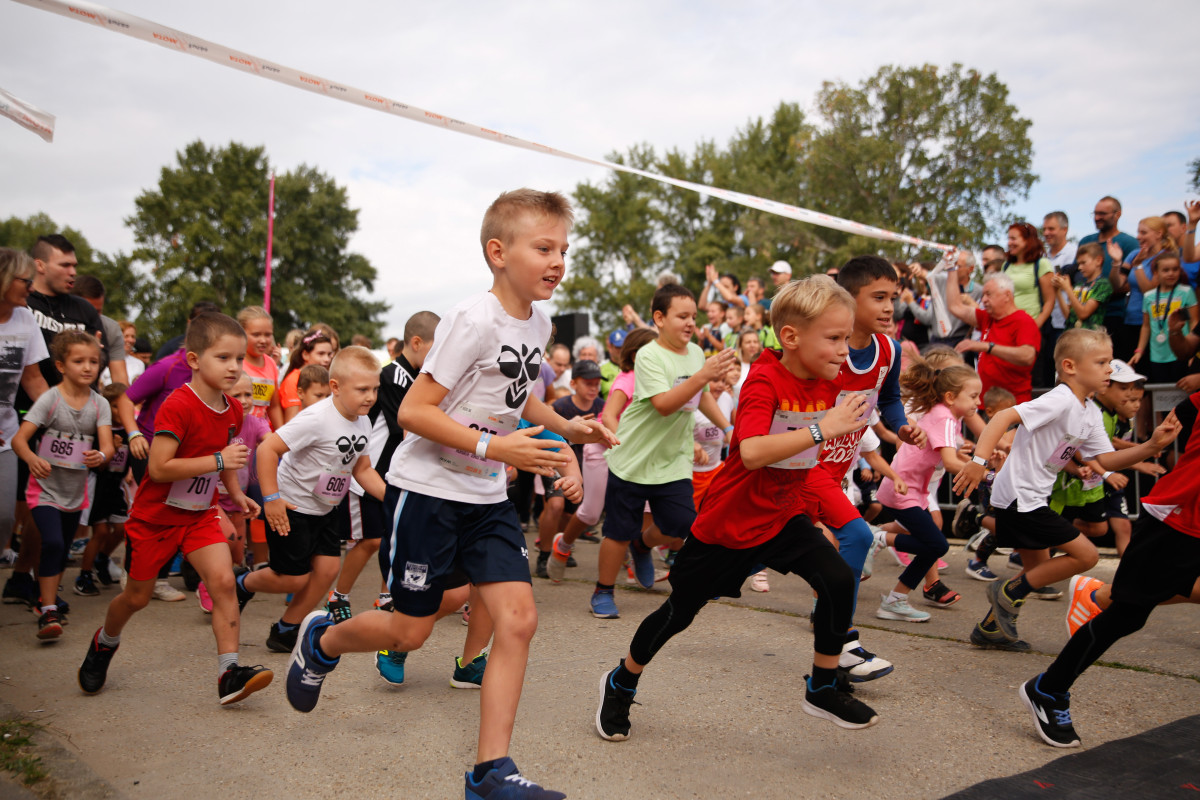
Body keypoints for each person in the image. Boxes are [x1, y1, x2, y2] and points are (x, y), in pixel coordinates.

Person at [283, 189, 615, 800]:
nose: (558, 261)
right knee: (409, 633)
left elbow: (516, 394)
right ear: (498, 253)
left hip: (486, 499)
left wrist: (566, 427)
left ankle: (490, 774)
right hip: (428, 493)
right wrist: (497, 448)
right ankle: (320, 641)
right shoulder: (471, 318)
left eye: (564, 250)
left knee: (519, 619)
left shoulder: (539, 323)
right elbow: (414, 411)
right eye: (544, 248)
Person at [594, 276, 879, 742]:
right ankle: (622, 681)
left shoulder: (832, 380)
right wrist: (822, 429)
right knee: (679, 614)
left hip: (783, 514)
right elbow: (749, 452)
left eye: (846, 338)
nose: (844, 350)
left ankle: (823, 686)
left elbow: (818, 448)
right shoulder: (764, 378)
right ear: (791, 337)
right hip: (731, 522)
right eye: (833, 338)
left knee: (838, 578)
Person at [76, 312, 271, 705]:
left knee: (223, 583)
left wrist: (236, 493)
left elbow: (226, 460)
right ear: (195, 360)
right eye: (223, 358)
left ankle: (229, 673)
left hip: (200, 514)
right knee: (136, 597)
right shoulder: (178, 405)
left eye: (238, 358)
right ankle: (104, 643)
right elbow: (160, 468)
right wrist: (219, 461)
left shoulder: (234, 410)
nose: (234, 367)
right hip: (156, 519)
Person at [954, 328, 1182, 650]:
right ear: (1070, 366)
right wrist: (978, 461)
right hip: (1020, 497)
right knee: (1086, 555)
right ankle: (1006, 591)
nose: (1109, 369)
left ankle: (991, 628)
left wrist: (1151, 446)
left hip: (1031, 496)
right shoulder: (1060, 399)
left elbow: (1105, 459)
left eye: (1109, 362)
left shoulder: (1089, 411)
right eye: (1101, 362)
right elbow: (1004, 416)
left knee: (1035, 571)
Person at [1018, 390, 1195, 749]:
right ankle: (1049, 688)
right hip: (1179, 520)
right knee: (1128, 614)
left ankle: (1100, 595)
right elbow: (1183, 413)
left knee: (1133, 605)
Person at [594, 282, 736, 618]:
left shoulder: (697, 353)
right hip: (633, 458)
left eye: (694, 317)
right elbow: (663, 405)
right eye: (682, 316)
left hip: (673, 460)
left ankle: (642, 545)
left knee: (681, 523)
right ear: (659, 318)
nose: (691, 323)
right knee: (618, 532)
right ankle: (603, 590)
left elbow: (702, 396)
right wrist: (703, 375)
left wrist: (730, 429)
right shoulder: (649, 355)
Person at [815, 255, 926, 681]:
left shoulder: (889, 350)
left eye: (893, 298)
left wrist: (901, 426)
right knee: (854, 538)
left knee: (851, 541)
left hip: (837, 471)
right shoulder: (824, 346)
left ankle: (835, 636)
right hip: (801, 466)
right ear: (848, 298)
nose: (889, 307)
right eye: (878, 297)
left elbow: (890, 399)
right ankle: (839, 637)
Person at [329, 310, 439, 626]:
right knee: (371, 541)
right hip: (370, 474)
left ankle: (387, 597)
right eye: (436, 347)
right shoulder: (390, 377)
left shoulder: (417, 380)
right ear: (416, 343)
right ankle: (338, 595)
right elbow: (406, 427)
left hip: (395, 474)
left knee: (393, 537)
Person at [11, 331, 114, 639]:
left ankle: (47, 601)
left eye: (93, 361)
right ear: (61, 366)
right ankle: (48, 610)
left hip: (75, 492)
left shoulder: (99, 404)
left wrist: (101, 455)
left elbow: (108, 446)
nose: (88, 367)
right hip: (44, 489)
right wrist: (32, 459)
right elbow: (19, 440)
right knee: (53, 543)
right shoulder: (50, 399)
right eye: (79, 361)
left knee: (61, 548)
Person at [872, 361, 981, 619]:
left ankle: (896, 599)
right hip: (903, 490)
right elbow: (951, 463)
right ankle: (877, 538)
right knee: (936, 544)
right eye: (973, 396)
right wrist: (985, 473)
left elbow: (946, 455)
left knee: (932, 545)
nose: (978, 402)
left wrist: (974, 463)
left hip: (910, 490)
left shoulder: (944, 414)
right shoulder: (945, 417)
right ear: (951, 397)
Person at [548, 328, 658, 583]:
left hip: (635, 453)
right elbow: (608, 417)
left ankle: (636, 556)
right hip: (603, 446)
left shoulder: (658, 379)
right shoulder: (627, 379)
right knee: (591, 513)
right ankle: (562, 546)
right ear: (637, 355)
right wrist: (626, 448)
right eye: (654, 350)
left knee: (646, 509)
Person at [0, 249, 50, 581]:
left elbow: (32, 379)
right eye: (25, 281)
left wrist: (61, 411)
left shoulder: (25, 319)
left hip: (6, 436)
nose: (31, 288)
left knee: (4, 518)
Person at [533, 359, 603, 578]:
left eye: (597, 383)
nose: (593, 388)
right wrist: (570, 425)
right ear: (573, 383)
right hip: (556, 458)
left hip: (584, 465)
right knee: (555, 505)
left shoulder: (602, 406)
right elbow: (541, 426)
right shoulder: (560, 406)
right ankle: (544, 555)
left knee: (569, 512)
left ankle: (559, 546)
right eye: (588, 383)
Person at [947, 271, 1039, 404]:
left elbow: (1027, 356)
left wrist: (987, 347)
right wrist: (951, 269)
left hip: (1011, 405)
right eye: (983, 295)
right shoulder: (988, 317)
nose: (984, 299)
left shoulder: (1023, 321)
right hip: (986, 403)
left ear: (1007, 295)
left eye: (988, 294)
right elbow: (955, 306)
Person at [1110, 216, 1178, 363]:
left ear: (1159, 234)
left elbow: (1149, 291)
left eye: (1143, 233)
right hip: (1130, 319)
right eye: (1138, 232)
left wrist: (1139, 266)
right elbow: (1117, 284)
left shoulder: (1165, 258)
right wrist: (1116, 262)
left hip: (1153, 323)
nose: (1138, 237)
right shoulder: (1134, 254)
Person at [1077, 196, 1139, 348]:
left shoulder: (1129, 243)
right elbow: (1076, 275)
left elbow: (1132, 282)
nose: (1097, 217)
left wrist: (1101, 293)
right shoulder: (1086, 241)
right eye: (1095, 213)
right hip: (1084, 318)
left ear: (1117, 214)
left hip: (1115, 315)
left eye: (1102, 214)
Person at [1130, 254, 1197, 384]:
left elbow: (1194, 321)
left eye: (1175, 269)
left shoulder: (1186, 292)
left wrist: (1192, 351)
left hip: (1180, 353)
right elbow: (1146, 326)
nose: (1171, 273)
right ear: (1156, 272)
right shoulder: (1149, 296)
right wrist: (1139, 351)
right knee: (1160, 391)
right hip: (1157, 355)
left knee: (1180, 390)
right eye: (1166, 270)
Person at [902, 252, 981, 349]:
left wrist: (970, 303)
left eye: (957, 266)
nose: (953, 269)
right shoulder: (942, 280)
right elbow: (925, 274)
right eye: (951, 265)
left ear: (970, 269)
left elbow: (981, 319)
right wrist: (917, 268)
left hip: (959, 341)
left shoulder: (978, 291)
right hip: (936, 339)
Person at [1042, 212, 1078, 386]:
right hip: (1047, 322)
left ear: (1065, 229)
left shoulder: (1075, 254)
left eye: (1051, 229)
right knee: (1047, 372)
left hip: (1067, 321)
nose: (1046, 233)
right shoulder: (1042, 257)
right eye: (1044, 229)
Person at [237, 306, 284, 429]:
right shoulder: (235, 362)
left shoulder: (271, 363)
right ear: (241, 333)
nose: (263, 340)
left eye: (268, 335)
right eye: (256, 334)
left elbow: (274, 406)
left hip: (259, 433)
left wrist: (282, 434)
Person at [1052, 243, 1111, 331]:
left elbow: (1083, 314)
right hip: (1072, 333)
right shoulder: (1079, 285)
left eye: (1083, 263)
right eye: (1079, 263)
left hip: (1090, 335)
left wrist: (1068, 288)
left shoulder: (1103, 284)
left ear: (1098, 261)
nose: (1079, 267)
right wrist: (1057, 291)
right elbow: (1068, 316)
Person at [279, 329, 334, 423]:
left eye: (329, 354)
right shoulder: (294, 379)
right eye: (321, 354)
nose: (327, 359)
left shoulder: (326, 376)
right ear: (305, 355)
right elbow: (291, 421)